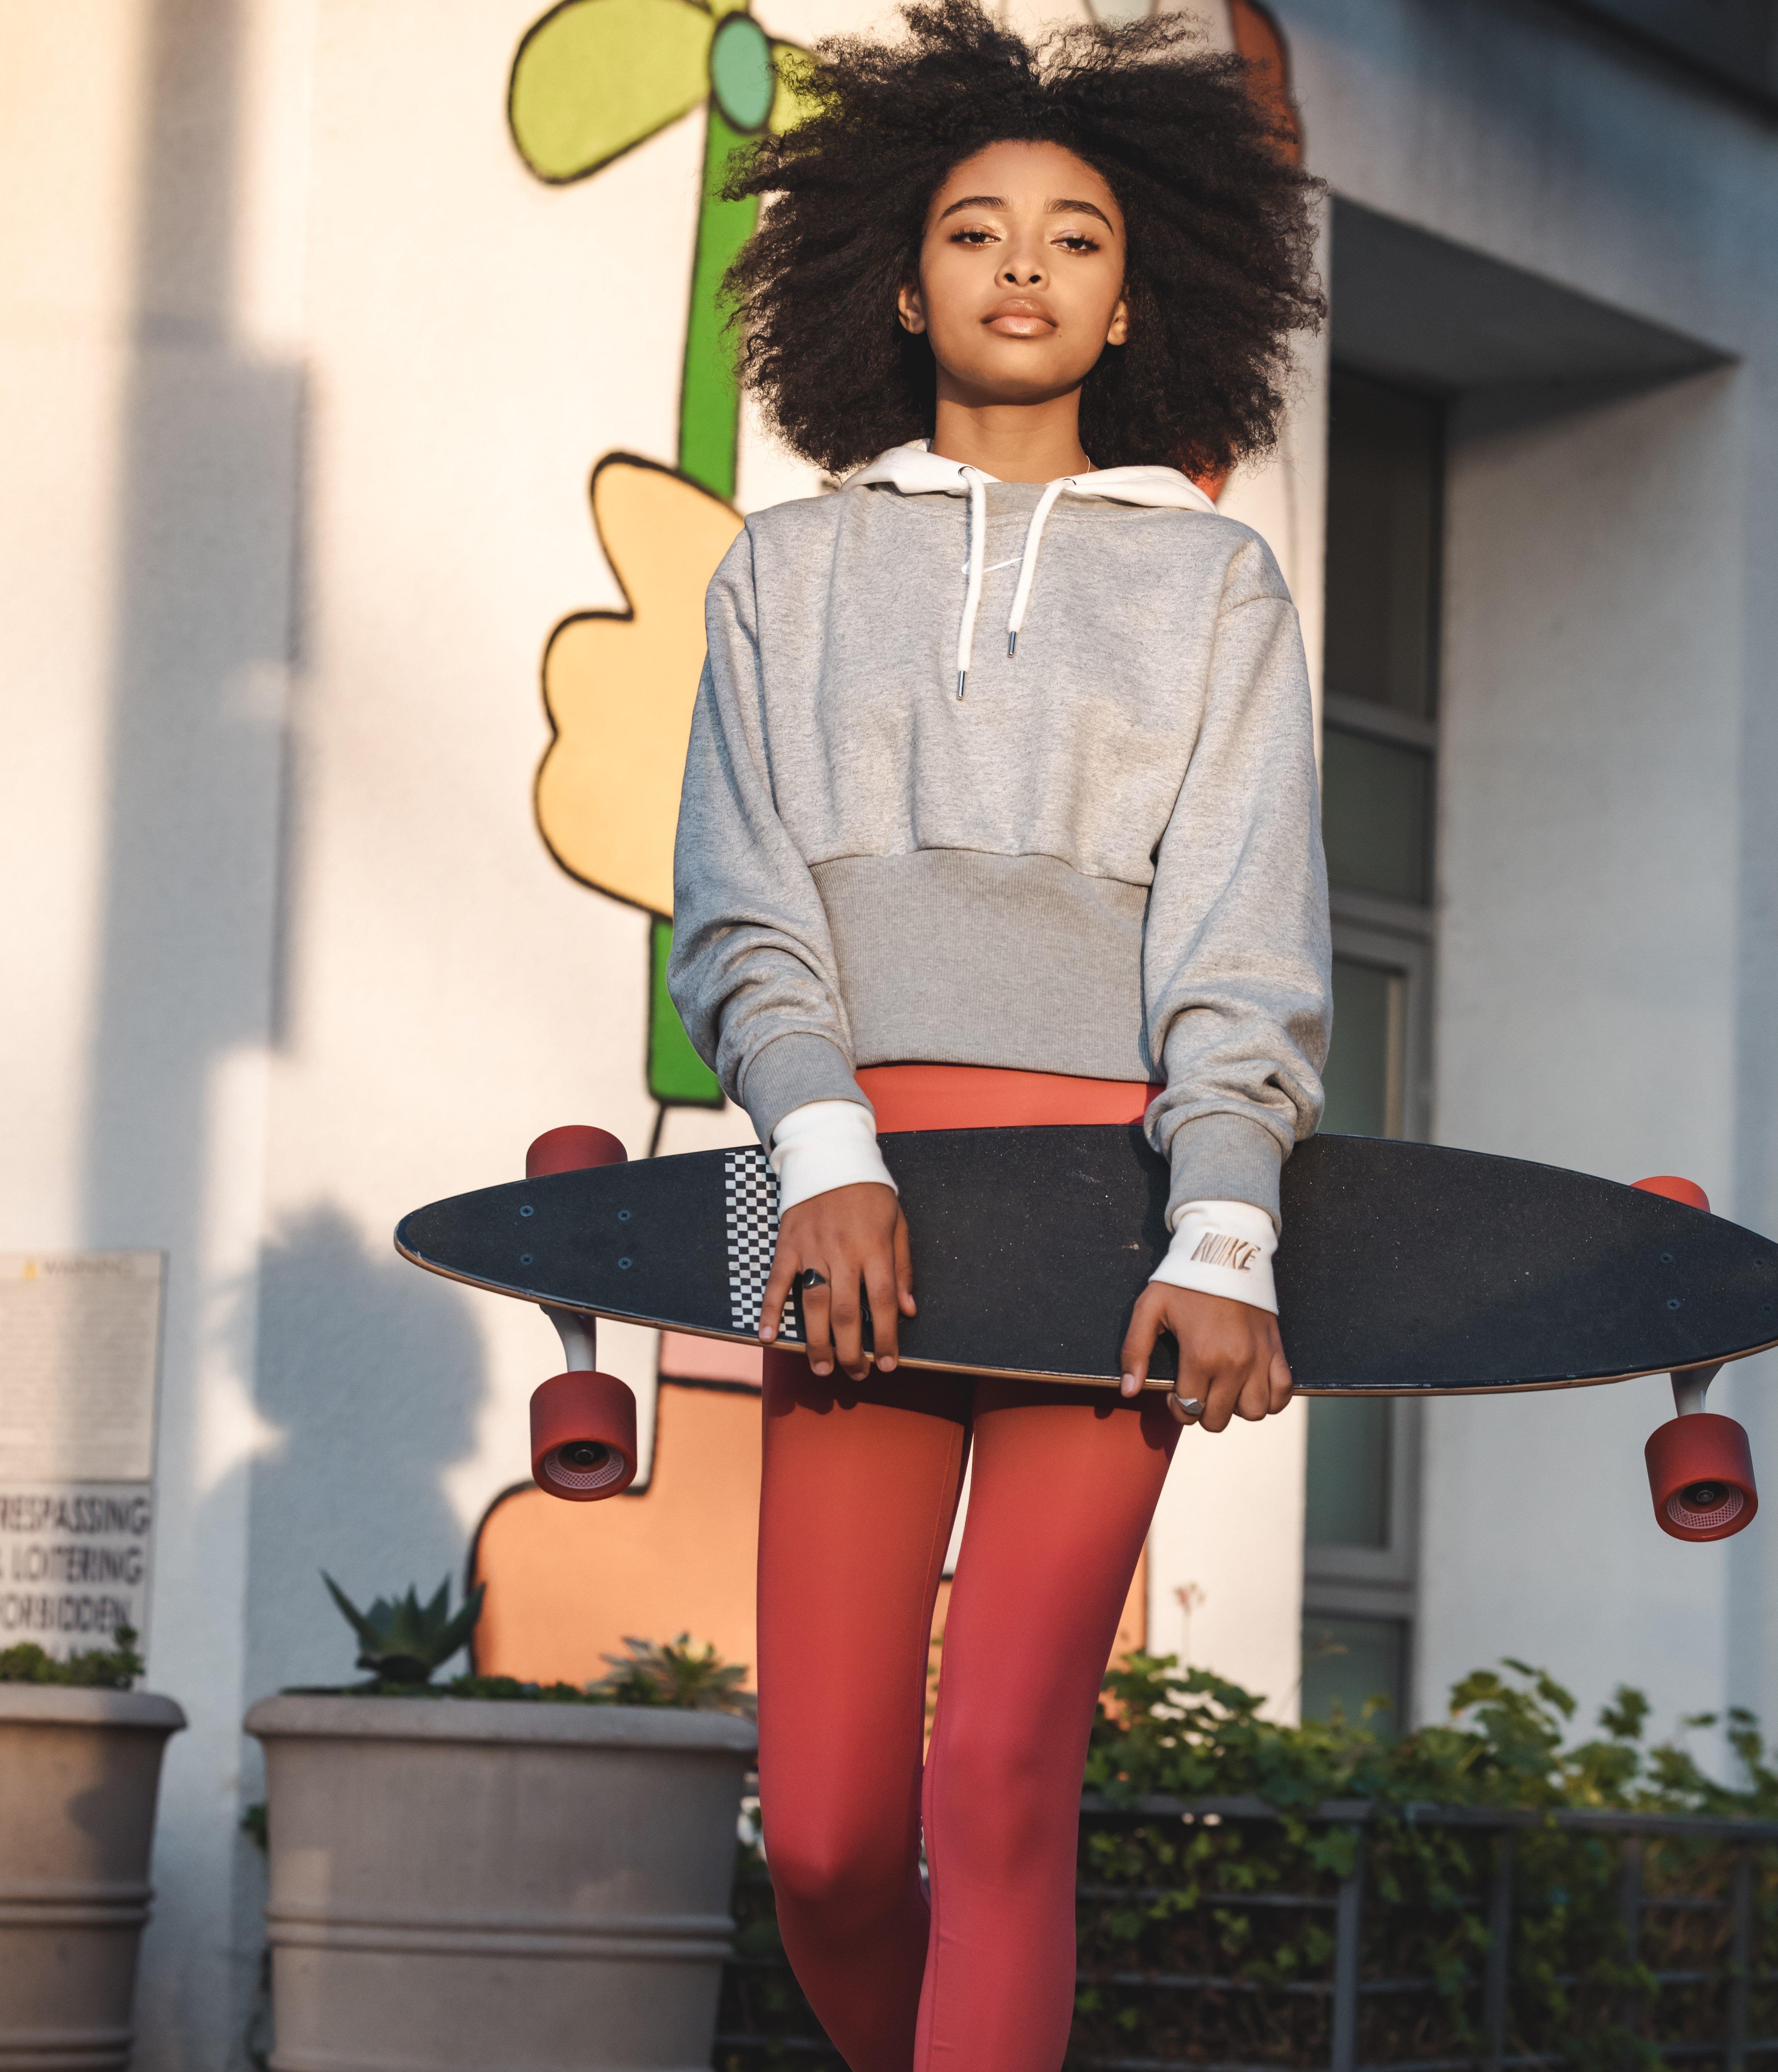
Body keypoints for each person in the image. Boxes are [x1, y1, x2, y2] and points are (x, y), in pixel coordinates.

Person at [670, 4, 1328, 2063]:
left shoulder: (1214, 586)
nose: (1022, 265)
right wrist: (827, 1158)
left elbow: (1246, 940)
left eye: (1070, 236)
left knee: (1002, 1785)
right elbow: (747, 913)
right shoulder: (783, 575)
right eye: (974, 229)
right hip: (842, 1216)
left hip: (1105, 1218)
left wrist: (1222, 1228)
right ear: (895, 276)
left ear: (1136, 302)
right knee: (836, 1839)